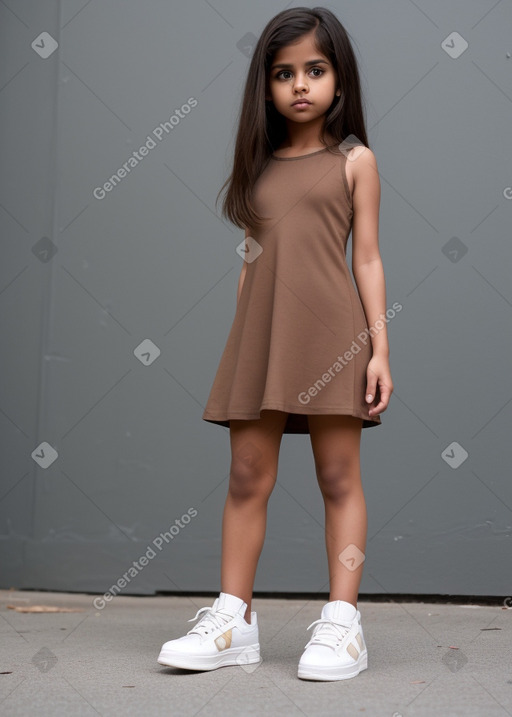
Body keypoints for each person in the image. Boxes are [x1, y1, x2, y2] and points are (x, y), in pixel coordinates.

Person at [157, 6, 393, 681]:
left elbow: (368, 260)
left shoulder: (356, 161)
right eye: (284, 73)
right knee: (245, 477)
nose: (299, 85)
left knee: (337, 476)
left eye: (314, 70)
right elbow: (252, 260)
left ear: (338, 79)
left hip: (334, 340)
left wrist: (379, 350)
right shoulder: (258, 167)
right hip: (262, 340)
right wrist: (240, 349)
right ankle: (235, 618)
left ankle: (343, 624)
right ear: (265, 86)